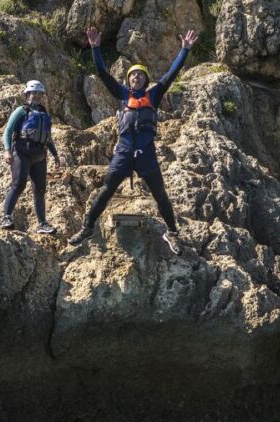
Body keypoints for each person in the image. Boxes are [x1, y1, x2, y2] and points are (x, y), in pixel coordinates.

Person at [67, 27, 199, 255]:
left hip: (146, 153)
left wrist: (184, 51)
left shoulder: (154, 95)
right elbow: (102, 73)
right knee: (107, 189)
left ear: (146, 80)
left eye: (140, 75)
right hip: (124, 151)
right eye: (132, 75)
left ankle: (173, 232)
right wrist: (95, 48)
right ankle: (87, 228)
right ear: (128, 81)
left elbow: (171, 74)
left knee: (160, 194)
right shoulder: (122, 95)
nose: (136, 77)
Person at [1, 80, 61, 234]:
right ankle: (6, 217)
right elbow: (8, 131)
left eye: (39, 93)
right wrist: (7, 151)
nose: (36, 96)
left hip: (40, 155)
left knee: (40, 189)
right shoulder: (21, 111)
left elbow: (47, 137)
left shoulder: (44, 113)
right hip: (22, 152)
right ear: (27, 94)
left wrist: (54, 154)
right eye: (33, 93)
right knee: (19, 184)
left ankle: (42, 224)